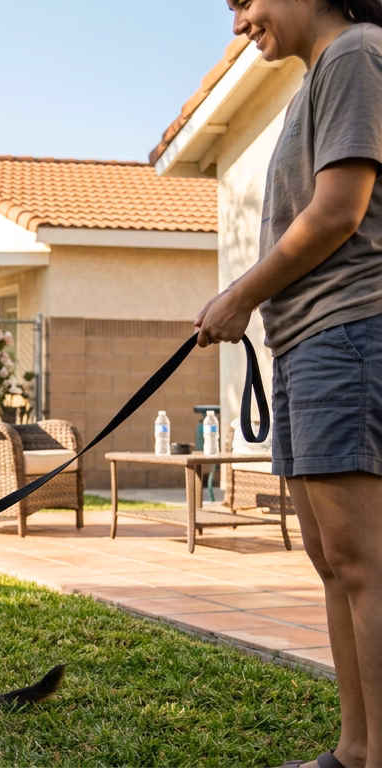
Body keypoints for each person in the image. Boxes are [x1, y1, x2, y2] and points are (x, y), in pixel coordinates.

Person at [197, 2, 382, 766]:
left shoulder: (357, 52)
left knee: (365, 562)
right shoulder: (316, 79)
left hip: (348, 332)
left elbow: (339, 211)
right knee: (331, 559)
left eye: (244, 0)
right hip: (308, 343)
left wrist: (239, 293)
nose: (239, 21)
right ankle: (352, 749)